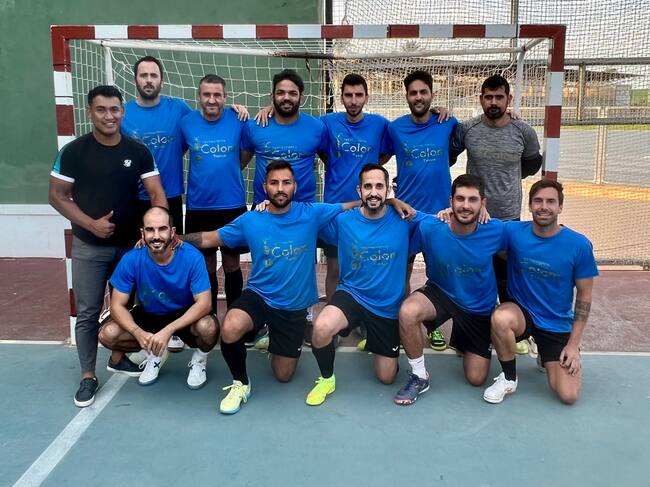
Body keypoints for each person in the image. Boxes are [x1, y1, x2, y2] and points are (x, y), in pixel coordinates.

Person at [49, 85, 167, 407]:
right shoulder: (73, 152)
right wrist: (91, 224)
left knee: (128, 307)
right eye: (101, 110)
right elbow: (56, 195)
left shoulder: (138, 151)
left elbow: (156, 193)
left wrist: (152, 231)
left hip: (130, 247)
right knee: (88, 312)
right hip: (89, 246)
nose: (108, 116)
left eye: (114, 110)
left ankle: (118, 357)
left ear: (122, 112)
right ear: (90, 112)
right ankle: (88, 375)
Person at [306, 164, 417, 406]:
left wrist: (394, 203)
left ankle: (376, 340)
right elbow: (305, 215)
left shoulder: (405, 219)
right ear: (359, 190)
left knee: (386, 377)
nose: (373, 192)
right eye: (368, 186)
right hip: (352, 295)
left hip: (387, 307)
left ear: (388, 190)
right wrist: (268, 207)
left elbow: (442, 222)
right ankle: (327, 379)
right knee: (321, 328)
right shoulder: (343, 221)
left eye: (379, 186)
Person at [483, 179, 598, 405]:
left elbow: (585, 297)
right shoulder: (513, 231)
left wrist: (573, 344)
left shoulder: (579, 245)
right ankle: (509, 378)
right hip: (522, 314)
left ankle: (548, 355)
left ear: (560, 207)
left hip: (555, 323)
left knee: (568, 395)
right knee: (501, 318)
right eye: (538, 201)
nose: (543, 206)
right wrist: (454, 212)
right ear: (530, 205)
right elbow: (476, 225)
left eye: (550, 201)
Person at [394, 174, 505, 405]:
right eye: (460, 199)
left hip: (477, 306)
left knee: (476, 378)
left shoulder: (496, 230)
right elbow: (400, 211)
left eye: (473, 200)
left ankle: (468, 340)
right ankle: (419, 375)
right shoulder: (431, 226)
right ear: (450, 201)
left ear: (483, 203)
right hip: (441, 293)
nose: (465, 205)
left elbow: (531, 234)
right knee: (408, 311)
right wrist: (389, 200)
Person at [451, 74, 542, 354]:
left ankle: (514, 332)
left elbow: (531, 165)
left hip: (508, 218)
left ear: (508, 99)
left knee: (508, 278)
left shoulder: (523, 131)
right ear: (480, 99)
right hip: (474, 219)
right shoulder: (468, 129)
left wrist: (506, 183)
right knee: (472, 278)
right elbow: (449, 154)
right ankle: (465, 336)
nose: (493, 102)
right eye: (488, 97)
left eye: (499, 97)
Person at [98, 207, 219, 388]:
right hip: (150, 314)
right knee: (108, 334)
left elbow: (204, 304)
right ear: (142, 233)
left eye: (162, 229)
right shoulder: (132, 258)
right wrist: (138, 333)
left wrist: (168, 330)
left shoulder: (192, 257)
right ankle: (153, 354)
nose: (156, 236)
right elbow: (116, 305)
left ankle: (199, 361)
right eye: (150, 230)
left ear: (172, 232)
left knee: (209, 328)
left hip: (184, 315)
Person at [386, 69, 459, 351]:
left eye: (423, 92)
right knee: (400, 275)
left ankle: (433, 326)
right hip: (406, 216)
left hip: (439, 216)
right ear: (406, 96)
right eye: (413, 93)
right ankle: (400, 323)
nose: (418, 97)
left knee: (437, 275)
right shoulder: (395, 128)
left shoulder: (447, 122)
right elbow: (378, 156)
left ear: (432, 95)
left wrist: (511, 116)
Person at [181, 74, 248, 312]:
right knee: (207, 264)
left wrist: (230, 170)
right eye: (207, 94)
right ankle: (207, 316)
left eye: (217, 95)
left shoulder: (239, 119)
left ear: (225, 97)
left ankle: (234, 316)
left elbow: (246, 153)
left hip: (232, 205)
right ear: (199, 97)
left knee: (231, 263)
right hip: (199, 206)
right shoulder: (186, 122)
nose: (212, 100)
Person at [121, 56, 191, 235]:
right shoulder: (122, 113)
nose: (149, 80)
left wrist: (234, 111)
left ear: (162, 81)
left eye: (154, 75)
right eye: (143, 75)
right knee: (138, 247)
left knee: (171, 246)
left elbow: (203, 125)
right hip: (135, 198)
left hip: (171, 195)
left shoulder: (178, 108)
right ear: (135, 80)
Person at [240, 69, 327, 206]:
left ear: (301, 98)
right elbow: (238, 165)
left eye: (293, 93)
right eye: (280, 93)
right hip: (264, 208)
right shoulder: (254, 126)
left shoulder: (317, 127)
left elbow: (332, 163)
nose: (286, 97)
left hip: (305, 209)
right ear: (272, 96)